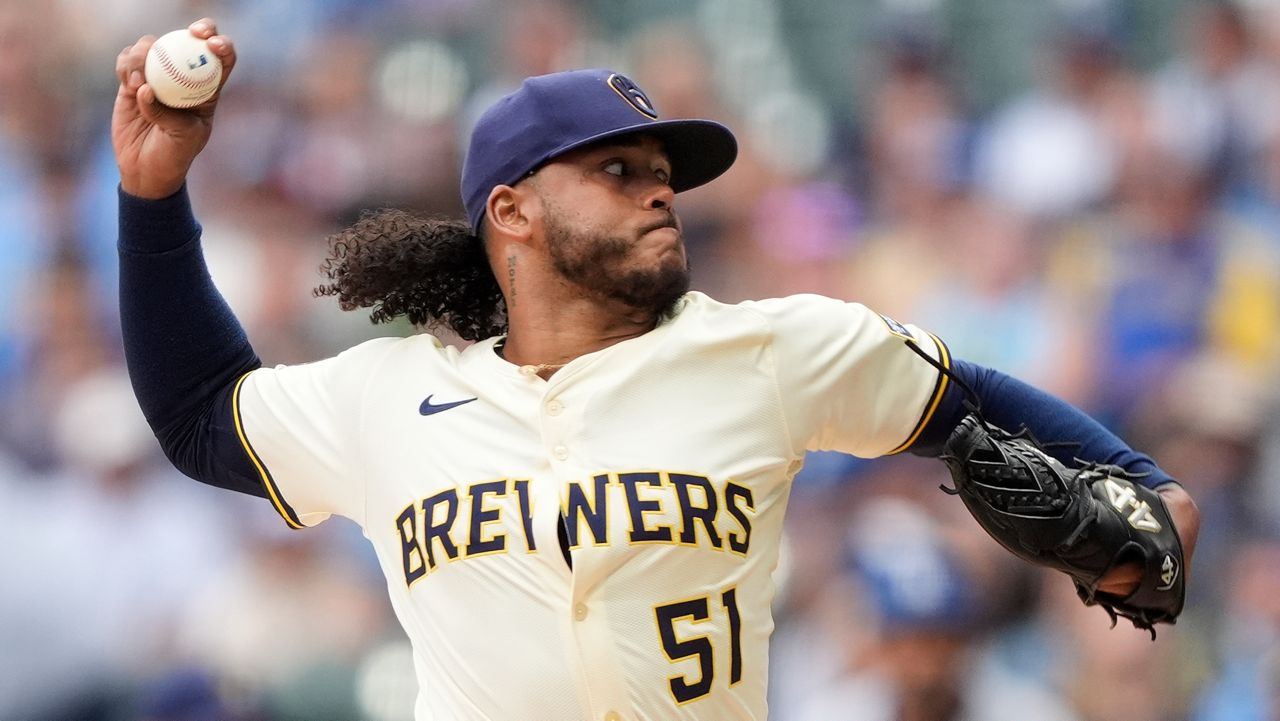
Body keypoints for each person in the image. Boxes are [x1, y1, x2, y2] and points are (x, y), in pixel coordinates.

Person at [113, 19, 1200, 721]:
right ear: (513, 212)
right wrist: (153, 196)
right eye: (617, 169)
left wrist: (1142, 485)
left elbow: (969, 398)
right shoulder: (390, 393)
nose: (657, 191)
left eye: (663, 173)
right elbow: (203, 415)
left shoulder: (769, 349)